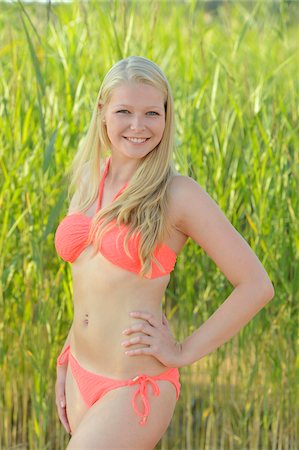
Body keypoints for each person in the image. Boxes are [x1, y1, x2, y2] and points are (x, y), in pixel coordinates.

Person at [54, 55, 274, 449]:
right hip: (79, 375)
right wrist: (67, 354)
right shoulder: (90, 178)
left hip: (135, 386)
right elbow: (90, 280)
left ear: (166, 117)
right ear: (102, 112)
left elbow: (256, 285)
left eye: (152, 112)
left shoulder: (178, 195)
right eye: (125, 111)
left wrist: (182, 351)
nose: (138, 126)